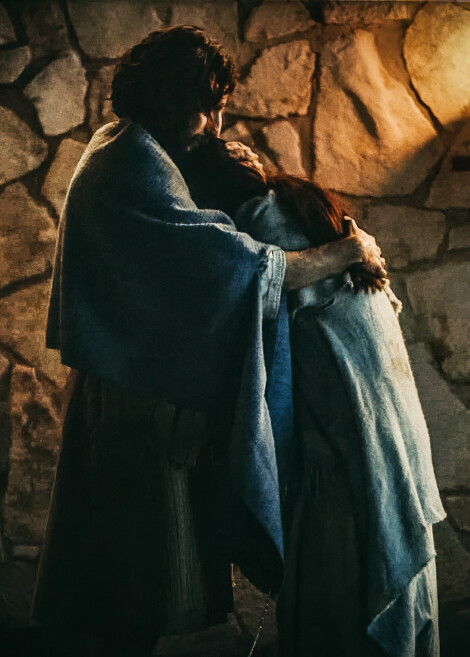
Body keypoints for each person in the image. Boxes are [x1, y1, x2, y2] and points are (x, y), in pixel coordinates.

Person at [31, 27, 385, 657]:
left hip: (125, 394)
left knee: (123, 583)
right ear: (172, 100)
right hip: (135, 410)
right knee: (131, 590)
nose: (217, 124)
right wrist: (347, 251)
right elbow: (238, 268)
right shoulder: (135, 165)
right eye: (207, 107)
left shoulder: (118, 143)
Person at [178, 135, 445, 657]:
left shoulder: (257, 233)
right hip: (393, 454)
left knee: (342, 619)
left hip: (343, 471)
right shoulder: (311, 213)